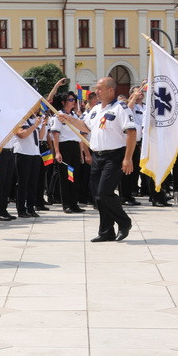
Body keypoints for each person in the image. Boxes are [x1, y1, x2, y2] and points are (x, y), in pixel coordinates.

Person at [57, 76, 136, 242]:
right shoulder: (95, 109)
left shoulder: (121, 108)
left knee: (104, 192)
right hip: (98, 156)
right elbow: (86, 127)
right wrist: (69, 119)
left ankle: (124, 222)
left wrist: (128, 158)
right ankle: (106, 231)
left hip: (115, 155)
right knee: (98, 196)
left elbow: (131, 132)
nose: (96, 91)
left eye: (100, 88)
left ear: (111, 90)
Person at [48, 92, 86, 214]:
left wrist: (81, 152)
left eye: (73, 99)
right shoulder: (59, 115)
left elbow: (79, 135)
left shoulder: (74, 116)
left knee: (74, 176)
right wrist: (57, 152)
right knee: (65, 177)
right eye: (70, 99)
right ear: (63, 102)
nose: (73, 101)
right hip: (64, 147)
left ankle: (74, 203)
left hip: (75, 146)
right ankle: (66, 204)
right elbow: (55, 135)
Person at [13, 113, 46, 218]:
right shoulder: (20, 120)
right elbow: (22, 135)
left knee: (33, 183)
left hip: (35, 153)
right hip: (23, 153)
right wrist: (35, 125)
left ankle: (31, 208)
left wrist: (43, 125)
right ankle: (21, 209)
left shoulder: (34, 120)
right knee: (23, 183)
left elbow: (40, 137)